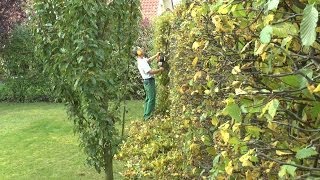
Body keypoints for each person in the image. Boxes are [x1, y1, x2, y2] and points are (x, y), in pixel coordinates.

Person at [136, 48, 164, 120]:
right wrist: (160, 70)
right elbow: (150, 72)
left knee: (148, 98)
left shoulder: (142, 60)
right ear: (139, 53)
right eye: (140, 50)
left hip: (147, 81)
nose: (142, 50)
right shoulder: (142, 62)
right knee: (151, 98)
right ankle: (148, 116)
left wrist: (156, 55)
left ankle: (146, 115)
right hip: (149, 81)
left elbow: (148, 60)